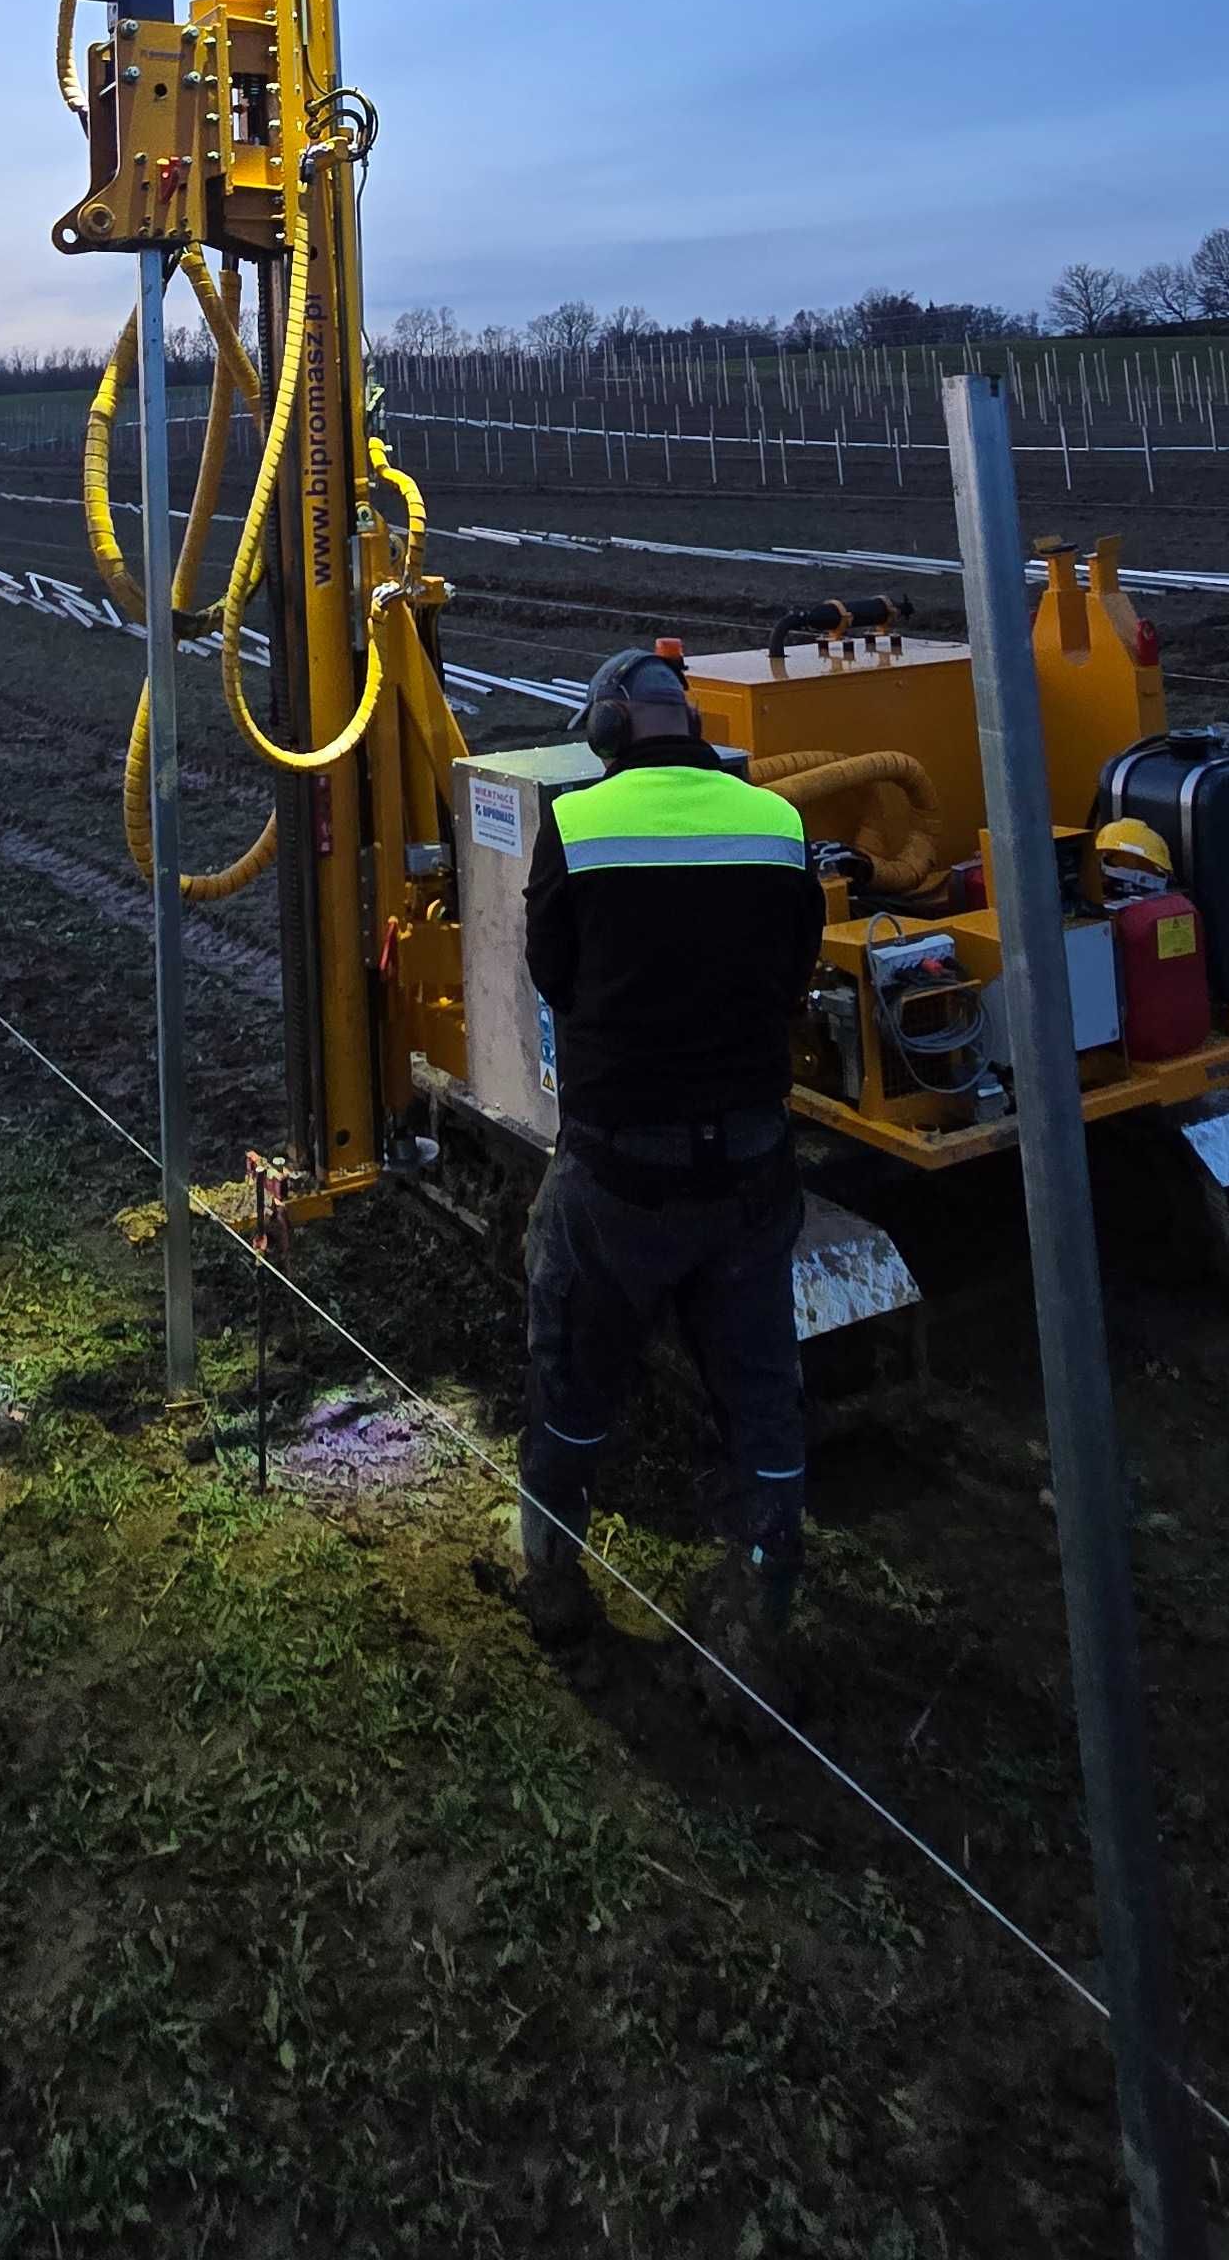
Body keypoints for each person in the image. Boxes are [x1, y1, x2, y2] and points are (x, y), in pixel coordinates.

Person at [516, 646, 827, 1694]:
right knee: (762, 1396)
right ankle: (761, 1609)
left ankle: (554, 1581)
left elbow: (551, 974)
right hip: (750, 1167)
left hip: (616, 1175)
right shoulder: (779, 826)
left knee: (574, 1376)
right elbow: (793, 974)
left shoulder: (573, 824)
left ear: (606, 731)